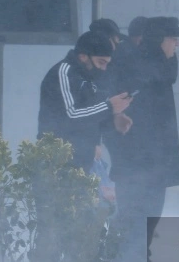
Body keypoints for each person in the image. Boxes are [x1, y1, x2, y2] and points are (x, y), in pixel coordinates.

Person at [108, 16, 179, 262]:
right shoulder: (139, 67)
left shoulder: (160, 68)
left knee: (150, 209)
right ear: (159, 40)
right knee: (135, 209)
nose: (177, 45)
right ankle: (126, 260)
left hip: (154, 157)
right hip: (139, 157)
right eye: (173, 39)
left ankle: (137, 257)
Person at [37, 31, 133, 170]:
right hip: (57, 158)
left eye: (107, 64)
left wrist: (112, 122)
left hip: (82, 158)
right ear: (83, 57)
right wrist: (109, 107)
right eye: (101, 62)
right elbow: (70, 115)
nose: (103, 69)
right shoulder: (64, 72)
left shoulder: (88, 77)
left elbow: (89, 114)